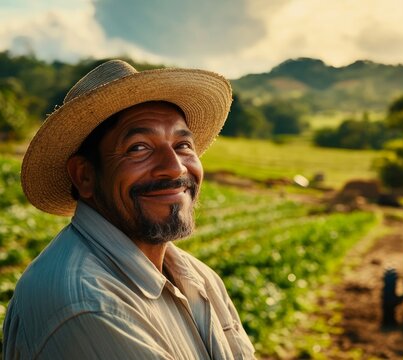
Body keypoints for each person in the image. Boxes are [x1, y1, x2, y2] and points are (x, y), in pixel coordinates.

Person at [3, 60, 256, 359]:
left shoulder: (200, 279)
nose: (174, 167)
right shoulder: (88, 307)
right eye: (138, 148)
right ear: (85, 176)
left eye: (182, 145)